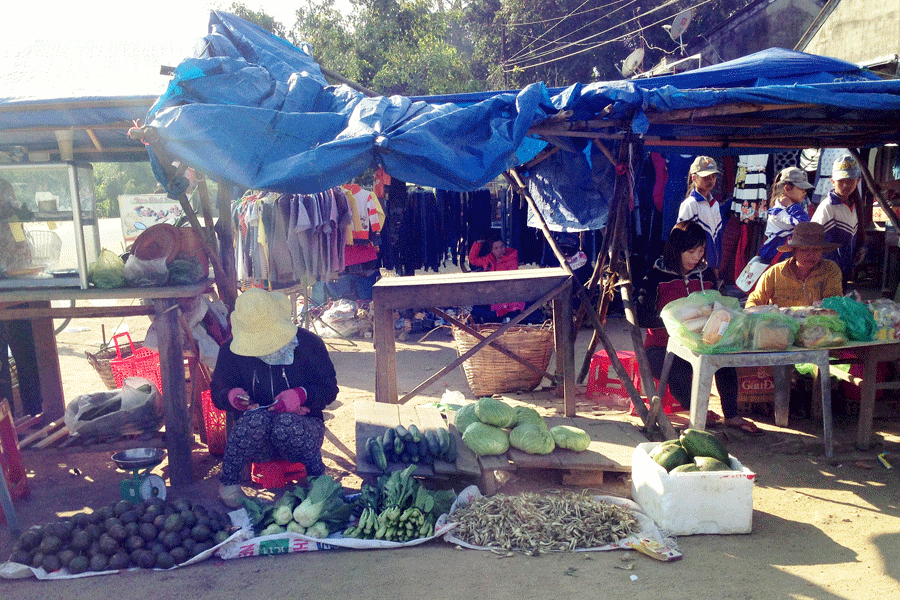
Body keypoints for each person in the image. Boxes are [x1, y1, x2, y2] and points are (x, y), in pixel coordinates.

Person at [210, 288, 338, 507]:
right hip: (258, 441)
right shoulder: (229, 352)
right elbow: (217, 394)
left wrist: (301, 396)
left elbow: (329, 389)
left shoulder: (308, 344)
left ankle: (317, 478)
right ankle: (229, 484)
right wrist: (232, 396)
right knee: (255, 421)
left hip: (302, 433)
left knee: (285, 422)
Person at [637, 221, 762, 435]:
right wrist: (678, 321)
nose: (696, 257)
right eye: (690, 251)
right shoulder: (656, 277)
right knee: (682, 370)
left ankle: (731, 415)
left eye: (701, 250)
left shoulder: (706, 274)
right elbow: (643, 316)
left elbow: (720, 308)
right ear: (676, 250)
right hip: (662, 347)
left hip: (704, 343)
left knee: (725, 359)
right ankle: (695, 410)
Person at [745, 221, 843, 309]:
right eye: (804, 250)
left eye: (816, 250)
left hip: (818, 326)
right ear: (794, 251)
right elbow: (754, 301)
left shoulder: (830, 270)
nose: (811, 254)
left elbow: (834, 304)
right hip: (783, 326)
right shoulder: (775, 273)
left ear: (822, 251)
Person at [811, 154, 863, 282]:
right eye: (841, 181)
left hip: (844, 269)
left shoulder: (855, 205)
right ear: (832, 181)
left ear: (858, 181)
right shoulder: (828, 207)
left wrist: (861, 249)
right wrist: (835, 267)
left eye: (850, 181)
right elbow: (821, 243)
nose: (846, 185)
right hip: (828, 271)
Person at [757, 167, 813, 264]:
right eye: (801, 188)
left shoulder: (790, 207)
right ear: (787, 188)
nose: (804, 192)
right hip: (776, 253)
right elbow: (804, 224)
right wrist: (791, 206)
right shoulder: (778, 212)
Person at [677, 156, 725, 271]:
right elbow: (681, 238)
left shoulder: (715, 204)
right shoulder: (690, 204)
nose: (711, 180)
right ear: (694, 177)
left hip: (711, 266)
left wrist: (716, 267)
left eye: (713, 176)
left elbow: (717, 237)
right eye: (706, 177)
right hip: (695, 267)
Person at [467, 233, 526, 322]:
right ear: (492, 250)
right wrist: (478, 243)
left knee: (489, 315)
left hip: (508, 297)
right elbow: (472, 259)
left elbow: (510, 282)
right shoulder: (489, 259)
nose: (500, 250)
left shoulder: (511, 258)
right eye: (496, 248)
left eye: (502, 247)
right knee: (475, 309)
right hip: (491, 296)